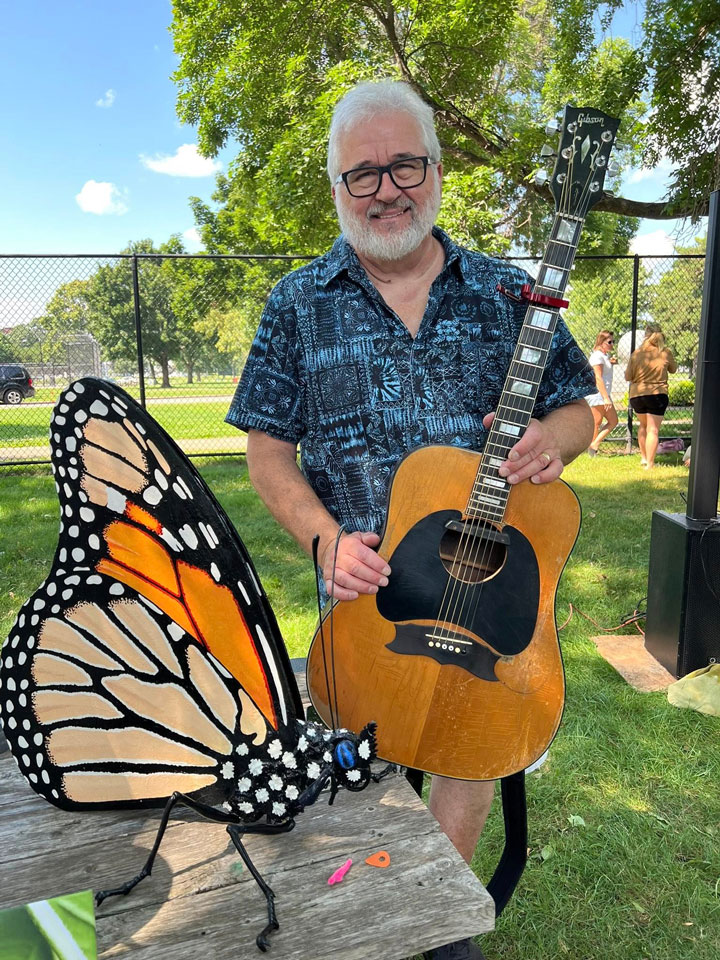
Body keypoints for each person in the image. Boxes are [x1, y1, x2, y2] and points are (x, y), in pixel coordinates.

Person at [226, 80, 595, 960]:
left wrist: (555, 436)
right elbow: (267, 450)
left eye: (405, 164)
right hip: (367, 594)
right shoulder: (297, 302)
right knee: (361, 764)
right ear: (337, 189)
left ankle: (429, 921)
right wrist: (324, 539)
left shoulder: (513, 294)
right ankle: (362, 911)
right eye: (363, 173)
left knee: (467, 755)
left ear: (436, 169)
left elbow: (584, 406)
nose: (387, 187)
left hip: (487, 595)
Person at [624, 323, 677, 469]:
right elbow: (673, 369)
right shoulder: (665, 352)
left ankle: (644, 458)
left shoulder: (636, 353)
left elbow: (628, 376)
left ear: (645, 336)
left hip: (637, 395)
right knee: (653, 430)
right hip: (657, 394)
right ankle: (650, 464)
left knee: (643, 426)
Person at [585, 329, 618, 455]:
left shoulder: (603, 356)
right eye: (610, 341)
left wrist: (611, 363)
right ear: (601, 341)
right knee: (596, 422)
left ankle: (594, 445)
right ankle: (592, 450)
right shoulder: (597, 356)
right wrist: (605, 397)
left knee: (613, 421)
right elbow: (598, 377)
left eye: (613, 341)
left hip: (604, 394)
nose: (612, 344)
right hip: (598, 395)